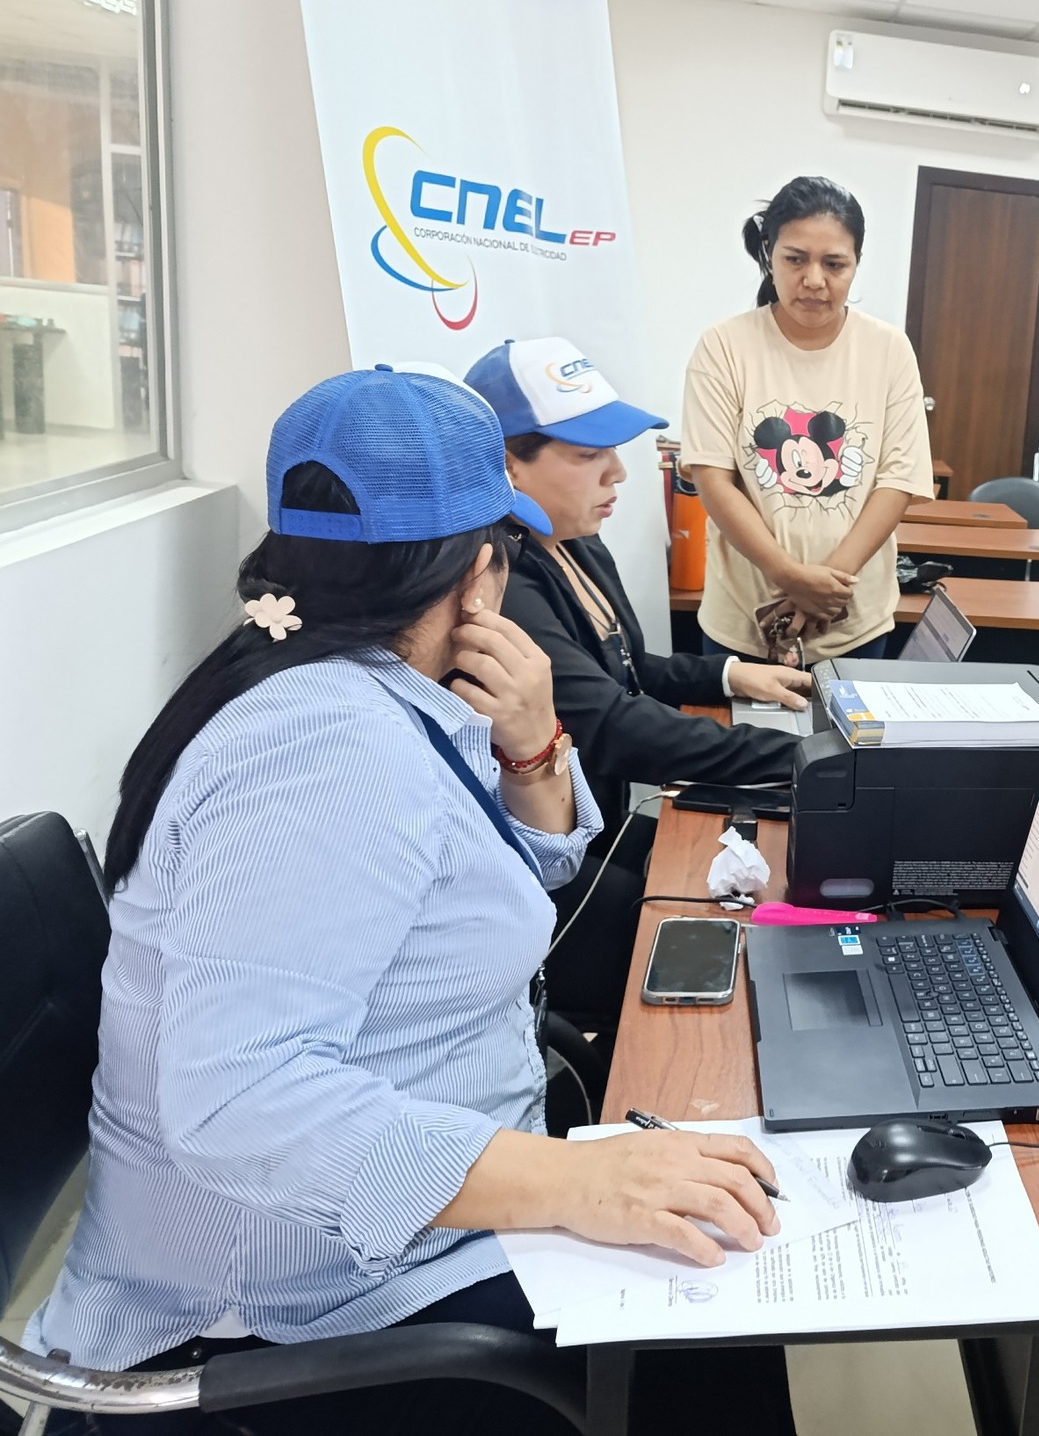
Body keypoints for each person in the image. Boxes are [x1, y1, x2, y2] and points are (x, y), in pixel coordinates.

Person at [27, 367, 797, 1435]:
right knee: (725, 1316)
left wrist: (531, 750)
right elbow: (238, 1099)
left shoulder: (359, 686)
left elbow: (478, 902)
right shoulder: (325, 745)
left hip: (389, 1231)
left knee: (721, 1285)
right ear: (480, 577)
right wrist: (572, 1184)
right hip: (295, 1312)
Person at [463, 336, 808, 1042]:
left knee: (732, 863)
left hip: (592, 821)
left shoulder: (574, 540)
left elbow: (623, 667)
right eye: (587, 456)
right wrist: (802, 759)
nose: (618, 473)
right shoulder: (503, 581)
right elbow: (609, 722)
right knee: (686, 923)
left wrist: (726, 673)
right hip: (539, 859)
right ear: (507, 464)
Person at [681, 175, 932, 664]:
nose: (814, 280)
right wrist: (789, 575)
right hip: (743, 620)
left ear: (857, 263)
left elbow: (898, 479)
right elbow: (713, 479)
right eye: (795, 259)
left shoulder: (888, 349)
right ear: (769, 254)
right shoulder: (724, 346)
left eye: (834, 264)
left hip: (853, 622)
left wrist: (826, 587)